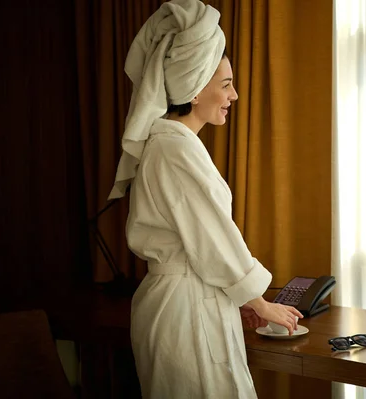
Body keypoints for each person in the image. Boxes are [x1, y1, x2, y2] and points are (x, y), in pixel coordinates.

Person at [108, 0, 303, 397]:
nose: (234, 94)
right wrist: (260, 303)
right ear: (195, 88)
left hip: (189, 299)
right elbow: (213, 235)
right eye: (226, 83)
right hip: (184, 309)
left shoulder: (173, 144)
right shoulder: (173, 149)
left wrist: (242, 298)